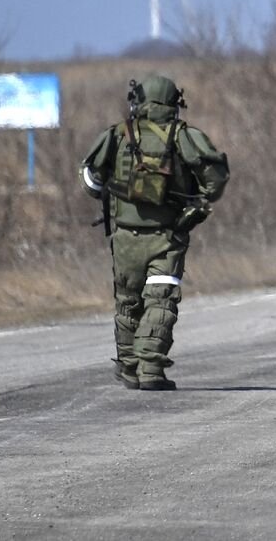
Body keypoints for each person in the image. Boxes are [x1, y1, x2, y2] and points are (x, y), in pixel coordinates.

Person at [81, 74, 229, 391]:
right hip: (168, 236)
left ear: (139, 101)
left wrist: (115, 192)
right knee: (160, 302)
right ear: (175, 104)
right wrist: (196, 200)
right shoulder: (184, 136)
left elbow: (90, 180)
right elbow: (215, 181)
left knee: (128, 302)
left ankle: (130, 369)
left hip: (124, 238)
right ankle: (151, 371)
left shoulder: (117, 134)